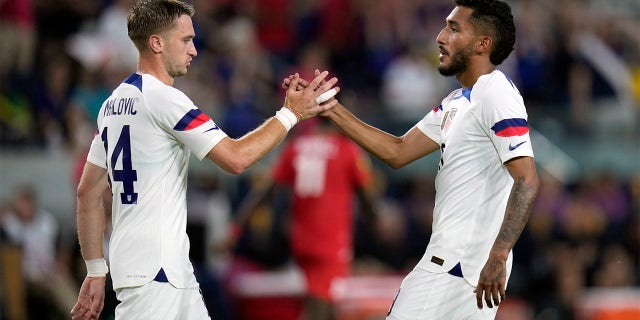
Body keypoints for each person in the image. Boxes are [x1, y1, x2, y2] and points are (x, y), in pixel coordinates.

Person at [69, 1, 339, 319]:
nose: (194, 50)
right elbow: (236, 158)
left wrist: (96, 269)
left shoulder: (111, 105)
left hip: (168, 271)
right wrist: (291, 114)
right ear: (157, 43)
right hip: (155, 276)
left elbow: (87, 193)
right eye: (185, 40)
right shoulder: (164, 99)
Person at [284, 0, 540, 318]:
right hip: (465, 265)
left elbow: (527, 179)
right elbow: (397, 150)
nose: (441, 36)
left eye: (454, 28)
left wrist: (499, 254)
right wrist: (329, 107)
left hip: (455, 263)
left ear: (482, 44)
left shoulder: (494, 93)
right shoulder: (458, 102)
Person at [234, 117, 377, 320]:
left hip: (301, 240)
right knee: (322, 308)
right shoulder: (348, 150)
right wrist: (376, 221)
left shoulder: (296, 146)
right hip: (331, 241)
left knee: (320, 304)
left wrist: (236, 228)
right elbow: (367, 198)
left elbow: (266, 191)